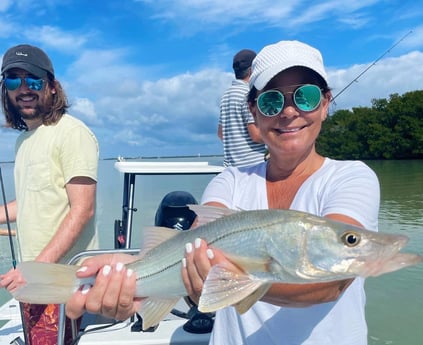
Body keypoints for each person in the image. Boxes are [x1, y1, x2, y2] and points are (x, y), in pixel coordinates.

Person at [65, 40, 380, 345]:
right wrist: (132, 271)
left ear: (325, 104)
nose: (288, 112)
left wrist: (232, 282)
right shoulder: (229, 181)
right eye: (272, 100)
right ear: (253, 112)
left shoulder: (351, 177)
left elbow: (332, 281)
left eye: (306, 97)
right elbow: (195, 251)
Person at [0, 44, 99, 345]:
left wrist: (37, 269)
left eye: (33, 80)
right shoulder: (24, 142)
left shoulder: (72, 133)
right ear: (6, 90)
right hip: (33, 277)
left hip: (60, 282)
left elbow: (82, 210)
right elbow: (32, 200)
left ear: (52, 87)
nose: (24, 89)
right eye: (14, 81)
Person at [218, 49, 266, 167]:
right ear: (251, 70)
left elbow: (220, 133)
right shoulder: (248, 94)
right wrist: (276, 137)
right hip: (253, 167)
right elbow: (255, 135)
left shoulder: (226, 95)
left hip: (231, 168)